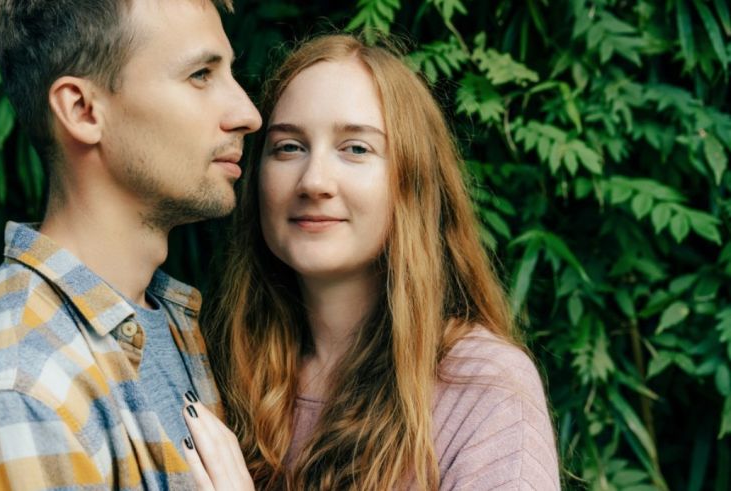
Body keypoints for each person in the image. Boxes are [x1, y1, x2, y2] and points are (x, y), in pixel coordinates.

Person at [0, 0, 260, 489]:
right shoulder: (26, 391)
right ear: (83, 110)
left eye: (228, 73)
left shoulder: (162, 321)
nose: (247, 114)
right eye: (200, 75)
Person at [186, 34, 560, 489]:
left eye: (356, 148)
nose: (314, 181)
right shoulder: (215, 363)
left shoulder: (481, 386)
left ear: (413, 183)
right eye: (288, 147)